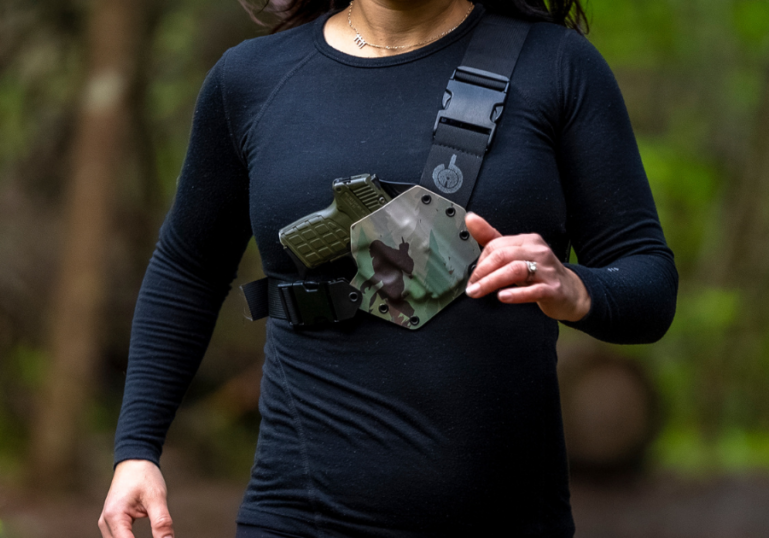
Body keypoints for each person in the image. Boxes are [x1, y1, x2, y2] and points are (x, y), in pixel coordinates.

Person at [98, 0, 678, 537]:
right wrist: (137, 450)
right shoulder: (251, 79)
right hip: (300, 516)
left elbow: (650, 281)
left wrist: (575, 287)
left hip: (509, 519)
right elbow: (186, 271)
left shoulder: (556, 66)